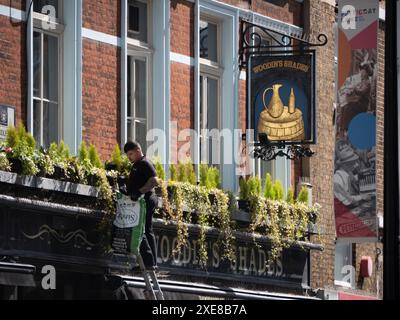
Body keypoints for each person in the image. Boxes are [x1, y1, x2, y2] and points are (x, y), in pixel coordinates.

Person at [123, 141, 159, 270]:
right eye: (128, 155)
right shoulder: (138, 164)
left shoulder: (144, 163)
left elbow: (155, 180)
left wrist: (139, 192)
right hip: (144, 200)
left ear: (138, 150)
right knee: (146, 231)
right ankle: (149, 262)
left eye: (131, 154)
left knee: (141, 231)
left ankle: (149, 262)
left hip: (146, 200)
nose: (129, 157)